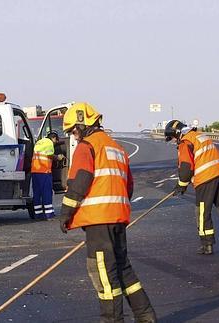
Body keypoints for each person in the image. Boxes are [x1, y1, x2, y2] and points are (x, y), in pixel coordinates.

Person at [59, 102, 156, 323]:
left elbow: (78, 184)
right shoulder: (116, 148)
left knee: (104, 274)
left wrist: (65, 215)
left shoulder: (87, 146)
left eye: (74, 130)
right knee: (123, 269)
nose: (73, 137)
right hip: (117, 219)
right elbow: (128, 186)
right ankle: (146, 316)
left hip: (99, 222)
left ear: (83, 124)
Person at [164, 120, 219, 255]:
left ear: (177, 134)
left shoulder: (185, 142)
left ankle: (207, 244)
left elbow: (186, 167)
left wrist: (181, 185)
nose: (173, 141)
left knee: (202, 212)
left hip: (206, 178)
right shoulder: (200, 135)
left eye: (172, 138)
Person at [31, 131, 64, 219]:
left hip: (35, 171)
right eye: (56, 141)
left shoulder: (40, 141)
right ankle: (49, 213)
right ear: (53, 138)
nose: (55, 143)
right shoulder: (49, 143)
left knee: (37, 193)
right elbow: (49, 154)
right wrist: (58, 157)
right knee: (47, 192)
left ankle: (38, 213)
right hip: (44, 171)